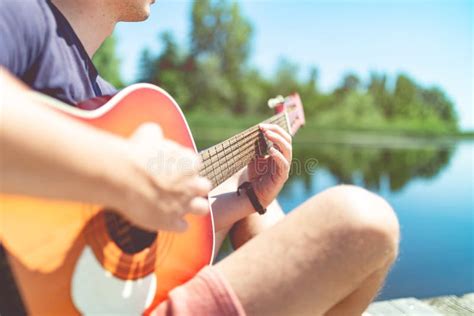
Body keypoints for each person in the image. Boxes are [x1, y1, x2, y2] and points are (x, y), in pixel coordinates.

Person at [0, 0, 400, 315]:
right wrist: (124, 171)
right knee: (363, 222)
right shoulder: (23, 14)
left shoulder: (107, 95)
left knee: (240, 178)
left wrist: (246, 202)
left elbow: (134, 252)